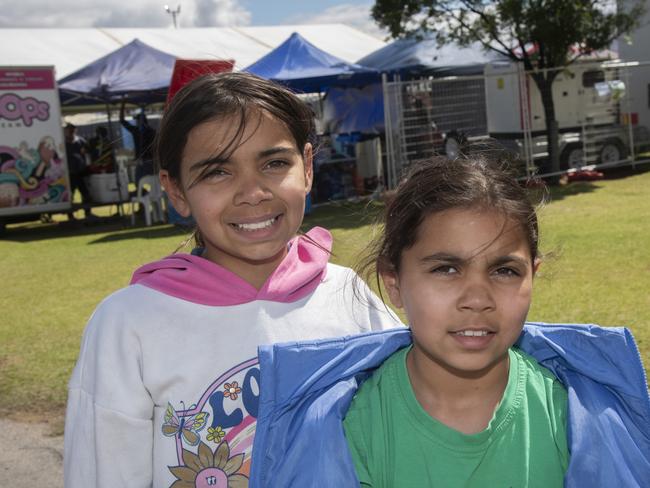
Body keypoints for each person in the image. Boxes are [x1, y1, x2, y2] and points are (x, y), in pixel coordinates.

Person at [63, 72, 402, 487]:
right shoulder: (129, 324)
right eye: (217, 172)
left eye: (275, 163)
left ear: (308, 167)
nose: (252, 192)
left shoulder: (348, 295)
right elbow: (102, 473)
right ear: (176, 191)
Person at [247, 156, 650, 487]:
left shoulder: (581, 417)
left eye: (505, 271)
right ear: (395, 282)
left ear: (533, 274)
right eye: (446, 269)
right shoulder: (348, 425)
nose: (477, 299)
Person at [120, 100, 156, 184]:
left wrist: (123, 104)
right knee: (155, 183)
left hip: (143, 162)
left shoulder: (136, 131)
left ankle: (143, 194)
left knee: (138, 184)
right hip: (153, 162)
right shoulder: (153, 131)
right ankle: (150, 194)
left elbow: (122, 121)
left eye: (137, 120)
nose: (136, 122)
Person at [63, 123, 93, 219]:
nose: (71, 132)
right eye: (69, 130)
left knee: (86, 194)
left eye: (72, 130)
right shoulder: (62, 142)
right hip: (69, 173)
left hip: (80, 171)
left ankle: (88, 213)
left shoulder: (80, 140)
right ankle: (70, 215)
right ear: (65, 131)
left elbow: (88, 150)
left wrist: (86, 151)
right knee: (70, 195)